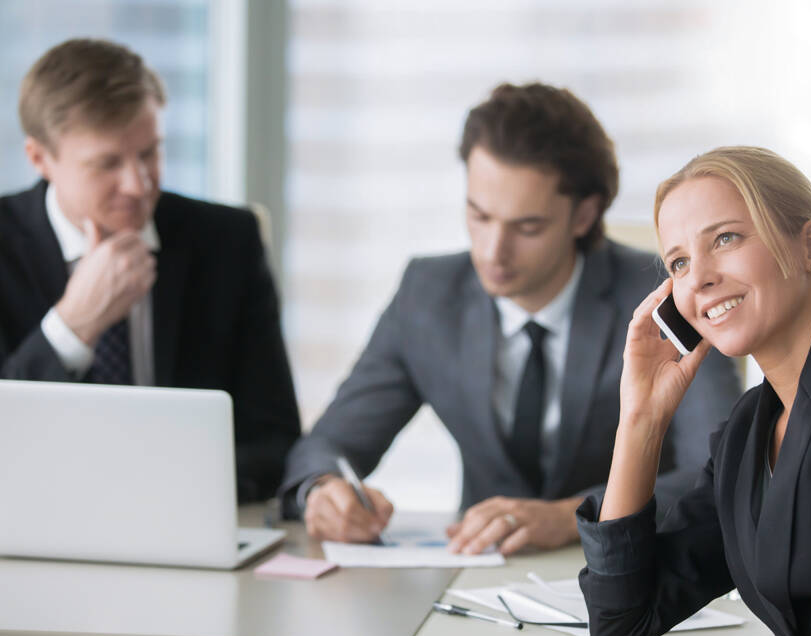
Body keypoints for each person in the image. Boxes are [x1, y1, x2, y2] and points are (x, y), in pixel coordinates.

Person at [280, 82, 740, 555]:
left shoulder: (661, 300)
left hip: (632, 575)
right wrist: (323, 490)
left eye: (527, 227)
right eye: (479, 216)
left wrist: (570, 517)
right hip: (475, 579)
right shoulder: (428, 295)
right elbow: (327, 445)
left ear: (583, 216)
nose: (492, 250)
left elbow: (721, 471)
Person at [577, 146, 811, 636]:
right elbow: (621, 620)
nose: (698, 277)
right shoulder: (748, 432)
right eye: (678, 262)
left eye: (725, 239)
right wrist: (641, 420)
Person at [0, 38, 300, 503]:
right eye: (107, 163)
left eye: (149, 153)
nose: (138, 185)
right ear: (40, 158)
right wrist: (71, 327)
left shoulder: (228, 241)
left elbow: (275, 440)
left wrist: (147, 488)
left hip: (184, 518)